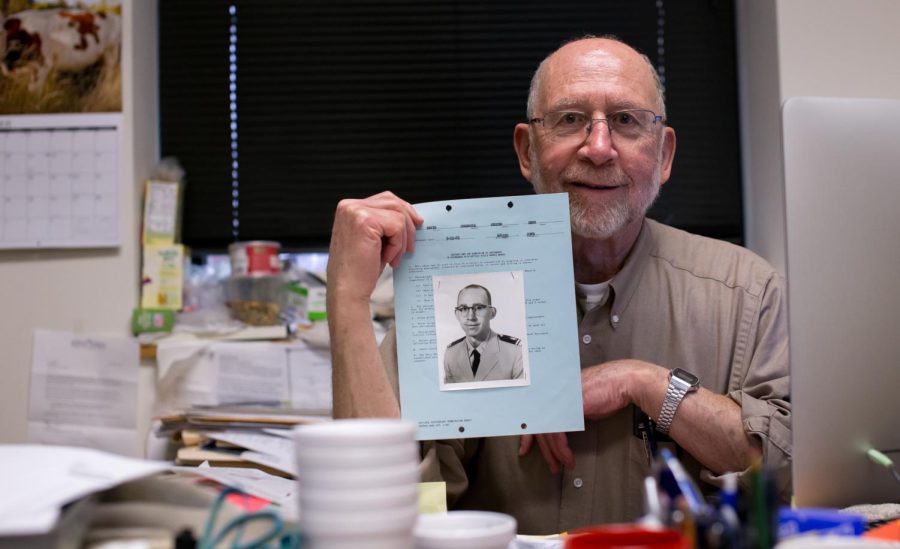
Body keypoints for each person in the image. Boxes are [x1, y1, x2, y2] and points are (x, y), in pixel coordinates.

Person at [326, 36, 791, 534]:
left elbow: (783, 473)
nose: (598, 147)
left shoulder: (745, 291)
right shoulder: (456, 286)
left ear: (665, 154)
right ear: (528, 150)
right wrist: (347, 302)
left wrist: (645, 382)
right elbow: (382, 508)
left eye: (627, 120)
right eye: (570, 119)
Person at [444, 284, 524, 384]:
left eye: (478, 308)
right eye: (463, 308)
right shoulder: (451, 353)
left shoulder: (516, 352)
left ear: (492, 313)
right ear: (457, 314)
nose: (471, 316)